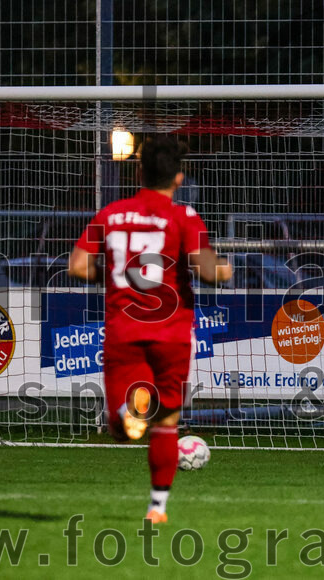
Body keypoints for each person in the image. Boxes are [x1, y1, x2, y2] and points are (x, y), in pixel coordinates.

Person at [69, 136, 232, 522]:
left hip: (124, 330)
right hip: (172, 334)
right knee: (167, 423)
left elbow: (77, 265)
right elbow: (207, 270)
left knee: (121, 429)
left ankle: (132, 408)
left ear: (139, 172)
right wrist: (225, 268)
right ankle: (156, 508)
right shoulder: (184, 217)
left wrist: (110, 273)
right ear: (178, 177)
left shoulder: (110, 214)